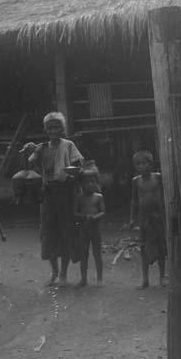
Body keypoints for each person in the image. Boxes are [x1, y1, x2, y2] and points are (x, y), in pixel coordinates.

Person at [27, 112, 83, 287]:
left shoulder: (68, 145)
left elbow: (78, 163)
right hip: (48, 193)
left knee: (65, 230)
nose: (53, 130)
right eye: (50, 127)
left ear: (62, 129)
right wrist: (31, 150)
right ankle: (54, 273)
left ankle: (64, 274)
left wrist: (72, 172)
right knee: (48, 232)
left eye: (56, 127)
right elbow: (32, 164)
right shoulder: (42, 148)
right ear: (45, 129)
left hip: (65, 192)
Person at [129, 150, 166, 289]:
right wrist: (132, 218)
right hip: (144, 219)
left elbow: (164, 194)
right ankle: (145, 279)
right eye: (138, 164)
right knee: (144, 248)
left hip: (158, 217)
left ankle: (162, 277)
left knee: (161, 247)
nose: (141, 167)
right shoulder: (136, 181)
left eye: (144, 163)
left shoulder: (158, 177)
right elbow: (134, 200)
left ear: (150, 164)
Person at [74, 168, 106, 287]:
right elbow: (75, 212)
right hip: (83, 229)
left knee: (97, 253)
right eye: (86, 182)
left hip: (95, 229)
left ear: (96, 183)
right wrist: (84, 216)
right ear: (81, 184)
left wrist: (95, 216)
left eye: (92, 181)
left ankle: (99, 279)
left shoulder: (98, 197)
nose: (90, 184)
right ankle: (83, 279)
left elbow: (103, 211)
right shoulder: (79, 197)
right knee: (84, 254)